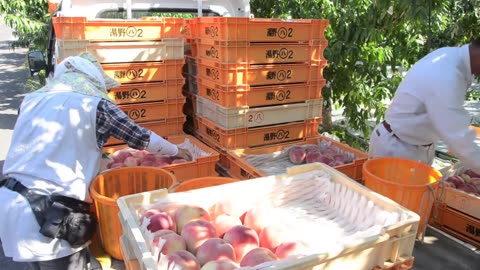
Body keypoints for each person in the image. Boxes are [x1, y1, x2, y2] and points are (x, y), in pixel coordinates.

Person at [0, 53, 192, 270]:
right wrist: (176, 150)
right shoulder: (93, 104)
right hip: (51, 215)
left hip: (12, 202)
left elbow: (56, 148)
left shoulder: (32, 100)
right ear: (94, 81)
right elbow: (141, 137)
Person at [369, 37, 480, 172]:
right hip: (398, 147)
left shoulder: (451, 57)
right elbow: (456, 134)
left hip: (416, 146)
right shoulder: (447, 74)